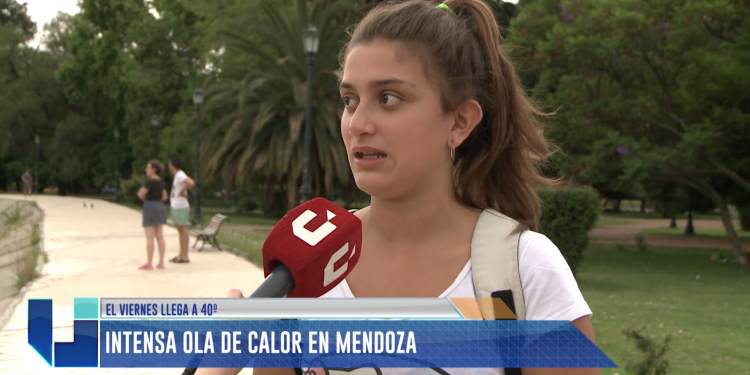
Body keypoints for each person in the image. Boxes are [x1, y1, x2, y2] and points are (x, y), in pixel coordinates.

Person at [197, 1, 599, 374]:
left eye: (388, 98)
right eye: (350, 100)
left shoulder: (526, 271)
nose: (357, 124)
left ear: (459, 121)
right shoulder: (306, 264)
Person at [137, 160, 168, 270]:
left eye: (148, 167)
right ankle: (161, 262)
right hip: (159, 207)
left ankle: (149, 262)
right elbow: (164, 197)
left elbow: (141, 194)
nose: (146, 170)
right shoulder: (161, 182)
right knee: (160, 236)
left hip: (150, 206)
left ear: (154, 169)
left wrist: (144, 197)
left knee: (150, 237)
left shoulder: (150, 182)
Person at [168, 157, 194, 264]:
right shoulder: (178, 175)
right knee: (180, 230)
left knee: (183, 230)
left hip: (180, 206)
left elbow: (190, 182)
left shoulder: (179, 174)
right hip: (177, 205)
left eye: (169, 165)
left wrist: (182, 191)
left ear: (172, 165)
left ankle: (185, 256)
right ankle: (181, 254)